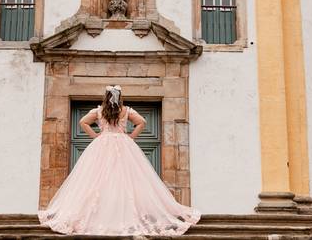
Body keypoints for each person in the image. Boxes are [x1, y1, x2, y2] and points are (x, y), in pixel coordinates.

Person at [38, 85, 201, 236]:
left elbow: (83, 122)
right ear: (119, 97)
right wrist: (130, 137)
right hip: (123, 144)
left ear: (106, 97)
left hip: (103, 144)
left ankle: (102, 214)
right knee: (125, 178)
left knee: (98, 179)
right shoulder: (126, 110)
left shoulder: (100, 111)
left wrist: (96, 136)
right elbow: (142, 122)